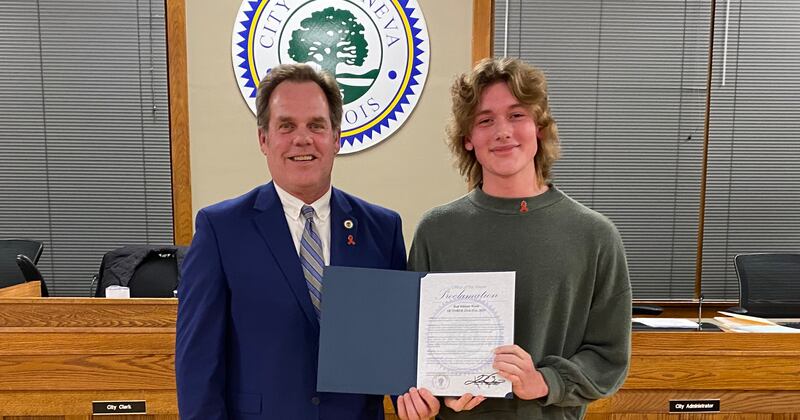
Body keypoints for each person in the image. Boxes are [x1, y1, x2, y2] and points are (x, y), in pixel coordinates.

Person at [398, 57, 631, 419]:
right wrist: (435, 396)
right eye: (485, 120)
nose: (502, 131)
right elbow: (412, 349)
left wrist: (545, 381)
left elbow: (609, 355)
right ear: (468, 140)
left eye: (517, 115)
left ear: (539, 127)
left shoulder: (595, 236)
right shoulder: (437, 231)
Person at [175, 63, 406, 420]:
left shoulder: (381, 229)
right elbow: (197, 365)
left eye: (316, 125)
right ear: (264, 139)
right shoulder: (220, 230)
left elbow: (393, 349)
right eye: (286, 126)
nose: (303, 139)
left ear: (336, 137)